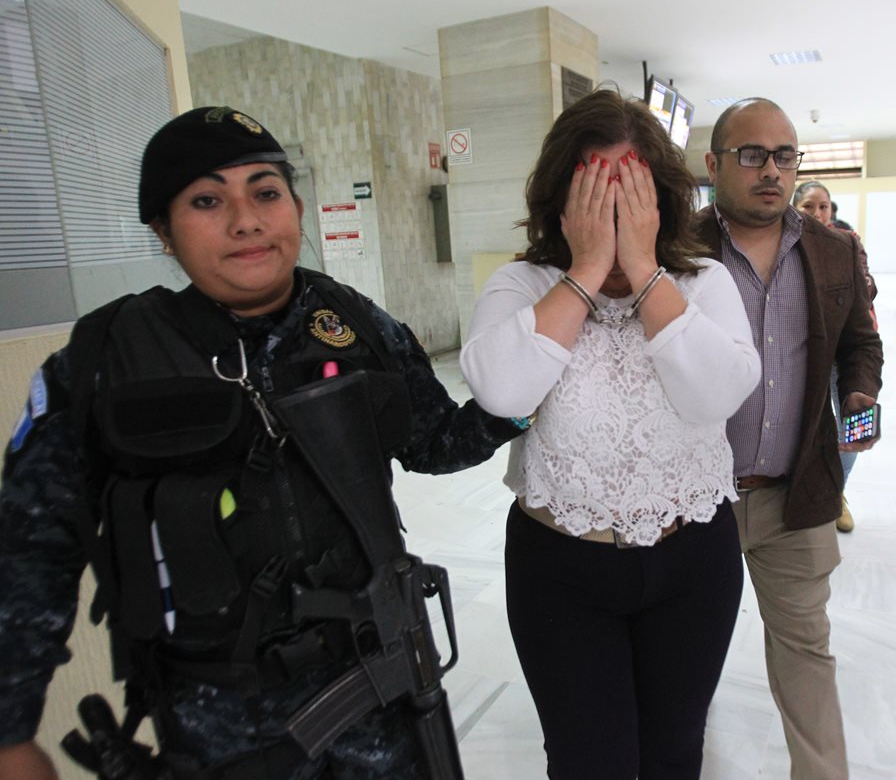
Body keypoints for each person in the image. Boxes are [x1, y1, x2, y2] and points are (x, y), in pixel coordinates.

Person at [0, 107, 528, 779]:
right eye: (207, 200)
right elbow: (30, 551)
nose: (246, 220)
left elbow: (434, 444)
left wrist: (519, 400)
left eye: (266, 192)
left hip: (380, 691)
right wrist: (10, 732)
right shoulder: (107, 361)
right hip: (221, 723)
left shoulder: (355, 323)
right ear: (163, 231)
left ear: (296, 209)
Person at [459, 89, 760, 780]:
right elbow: (503, 391)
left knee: (674, 753)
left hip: (692, 561)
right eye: (599, 199)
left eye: (633, 199)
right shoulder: (521, 283)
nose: (617, 221)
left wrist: (647, 272)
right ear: (564, 203)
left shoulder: (704, 282)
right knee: (587, 761)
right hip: (560, 569)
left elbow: (715, 395)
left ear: (663, 201)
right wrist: (588, 270)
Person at [699, 98, 883, 780]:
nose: (771, 171)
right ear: (714, 164)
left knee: (806, 650)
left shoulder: (833, 251)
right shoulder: (676, 247)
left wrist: (859, 391)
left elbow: (861, 343)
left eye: (784, 155)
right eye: (752, 155)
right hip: (694, 500)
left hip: (795, 495)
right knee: (684, 655)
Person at [792, 180, 878, 532]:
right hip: (809, 351)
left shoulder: (847, 243)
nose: (817, 213)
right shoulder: (784, 247)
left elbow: (868, 289)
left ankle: (837, 492)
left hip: (850, 351)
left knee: (855, 426)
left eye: (823, 206)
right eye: (808, 206)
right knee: (810, 423)